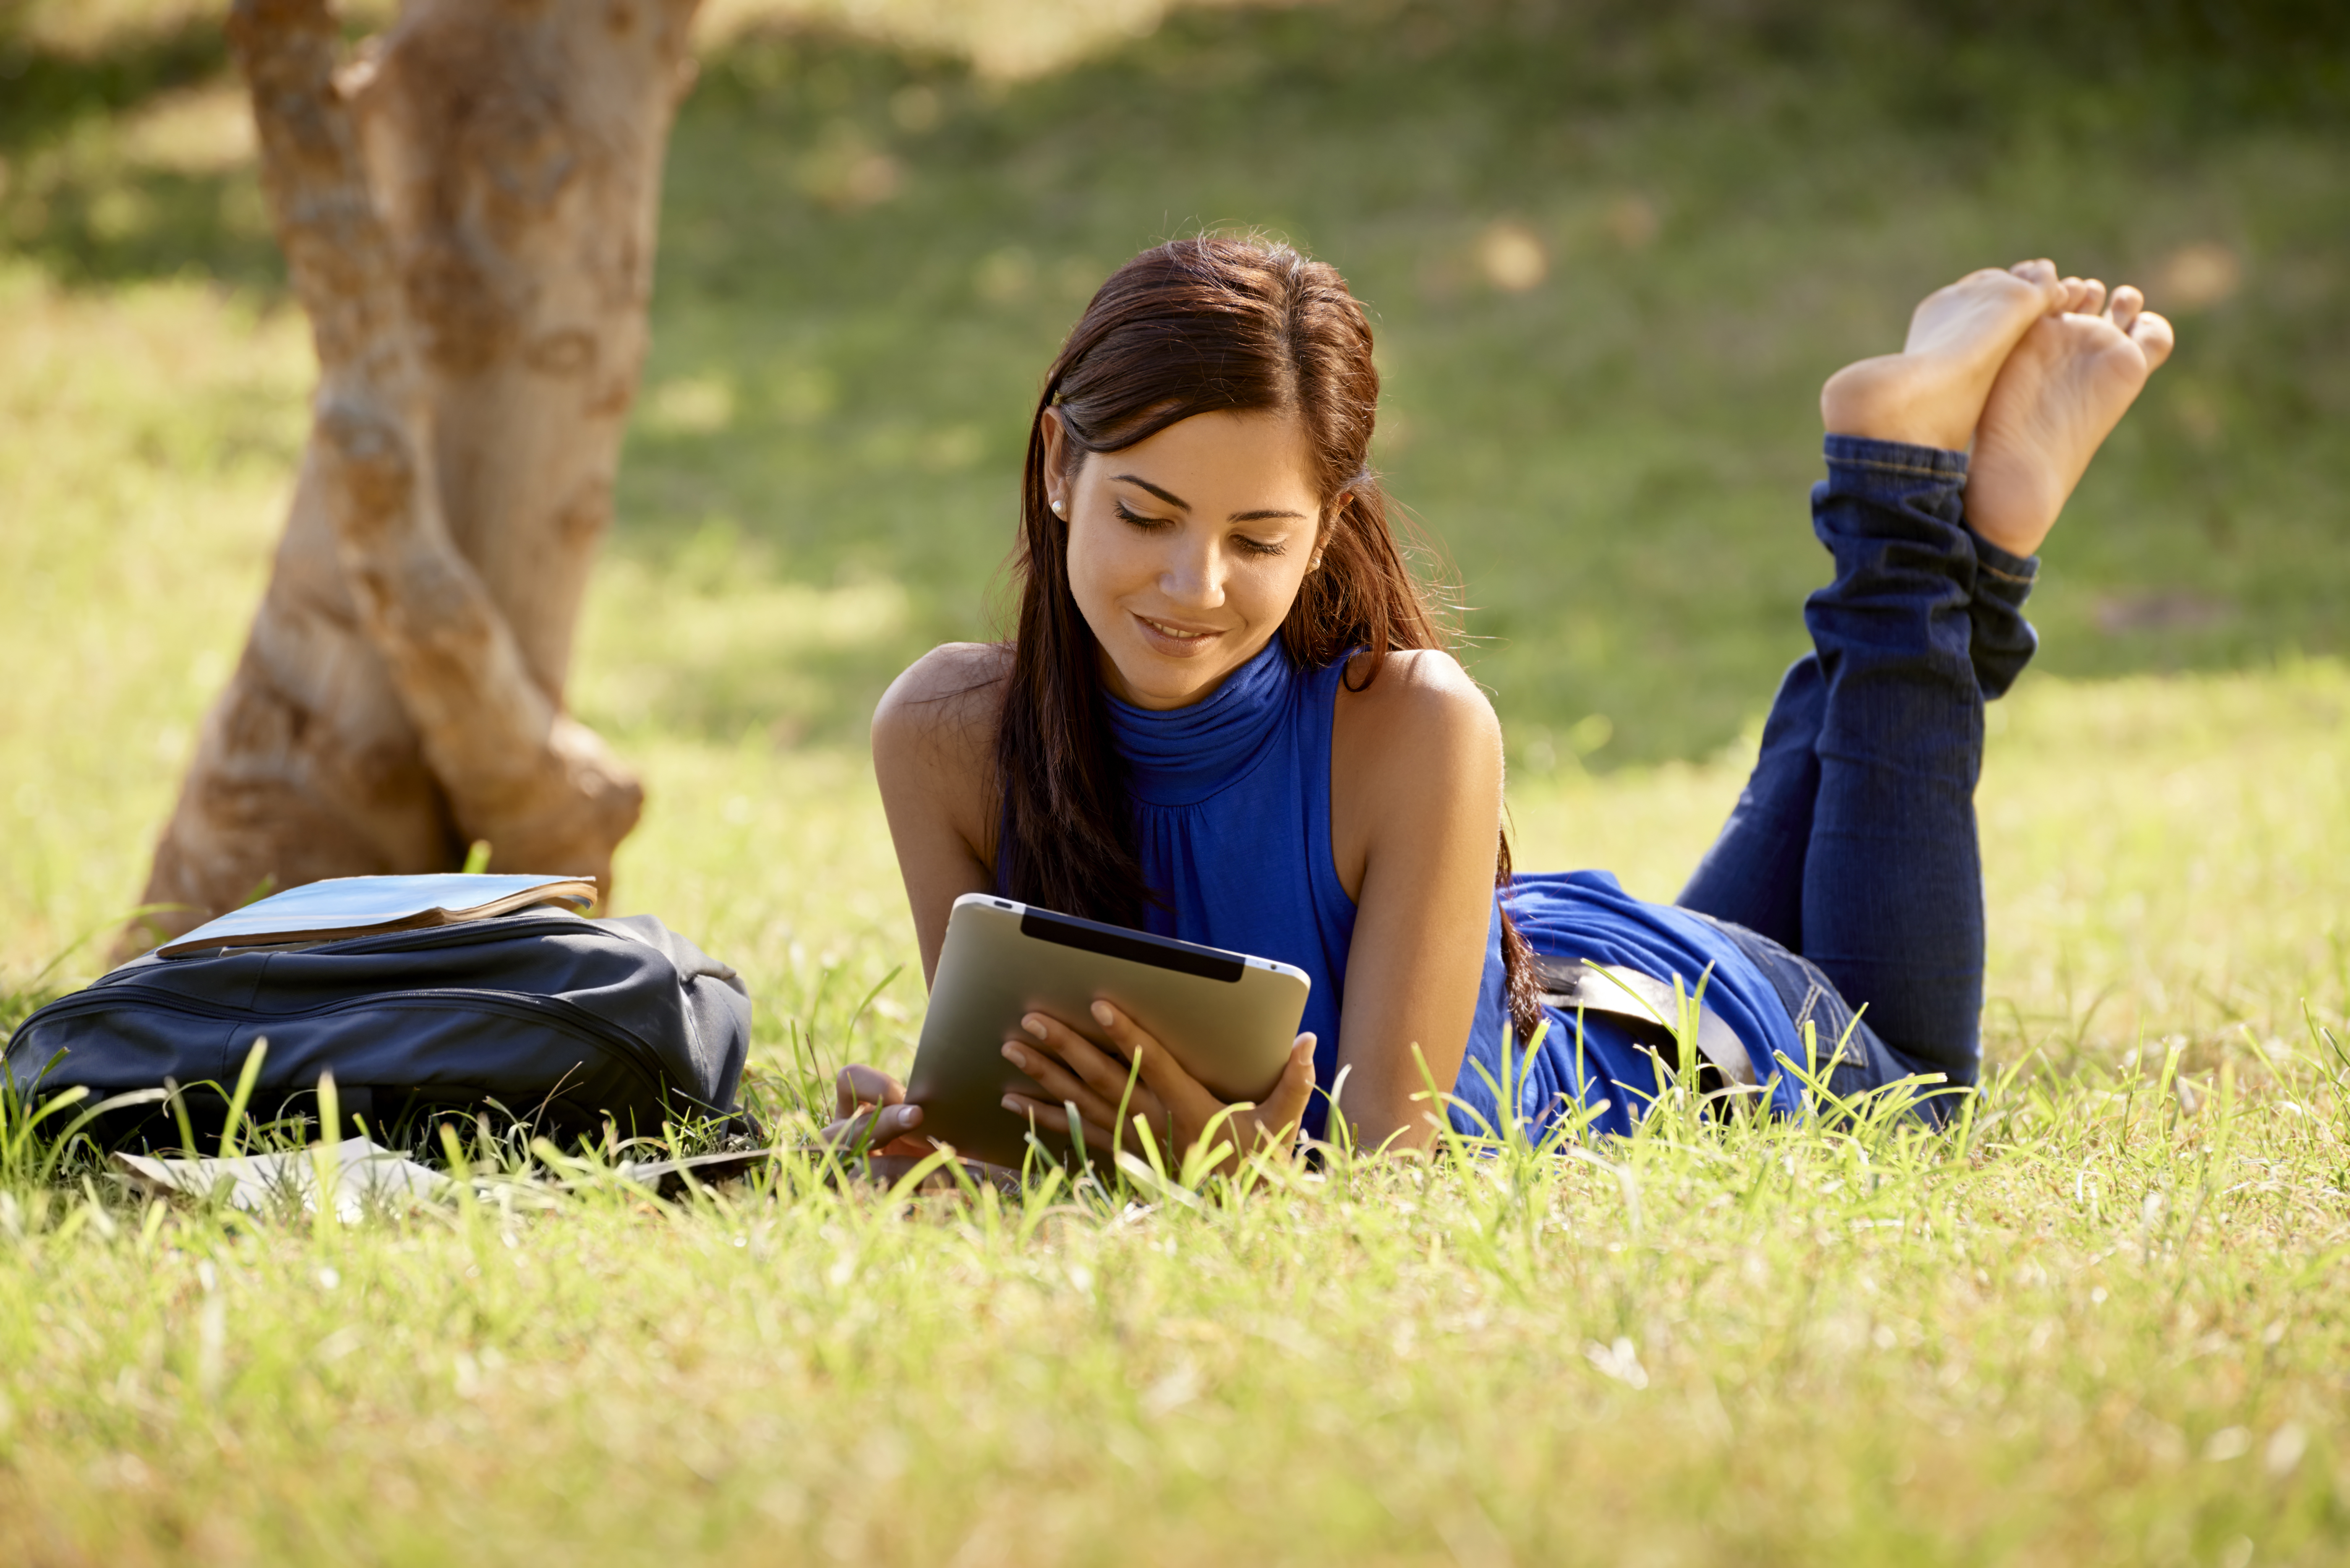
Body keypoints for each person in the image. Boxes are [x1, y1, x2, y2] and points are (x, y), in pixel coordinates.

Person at [826, 235, 2172, 1167]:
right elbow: (1028, 1111)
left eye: (1258, 536)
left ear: (1329, 524)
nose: (1196, 583)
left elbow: (1398, 1179)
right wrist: (934, 1142)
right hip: (1554, 966)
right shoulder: (944, 736)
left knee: (1919, 1097)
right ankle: (1966, 538)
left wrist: (1227, 1166)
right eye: (1148, 513)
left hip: (1661, 1052)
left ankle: (1896, 487)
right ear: (1061, 463)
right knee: (1866, 747)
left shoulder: (1413, 719)